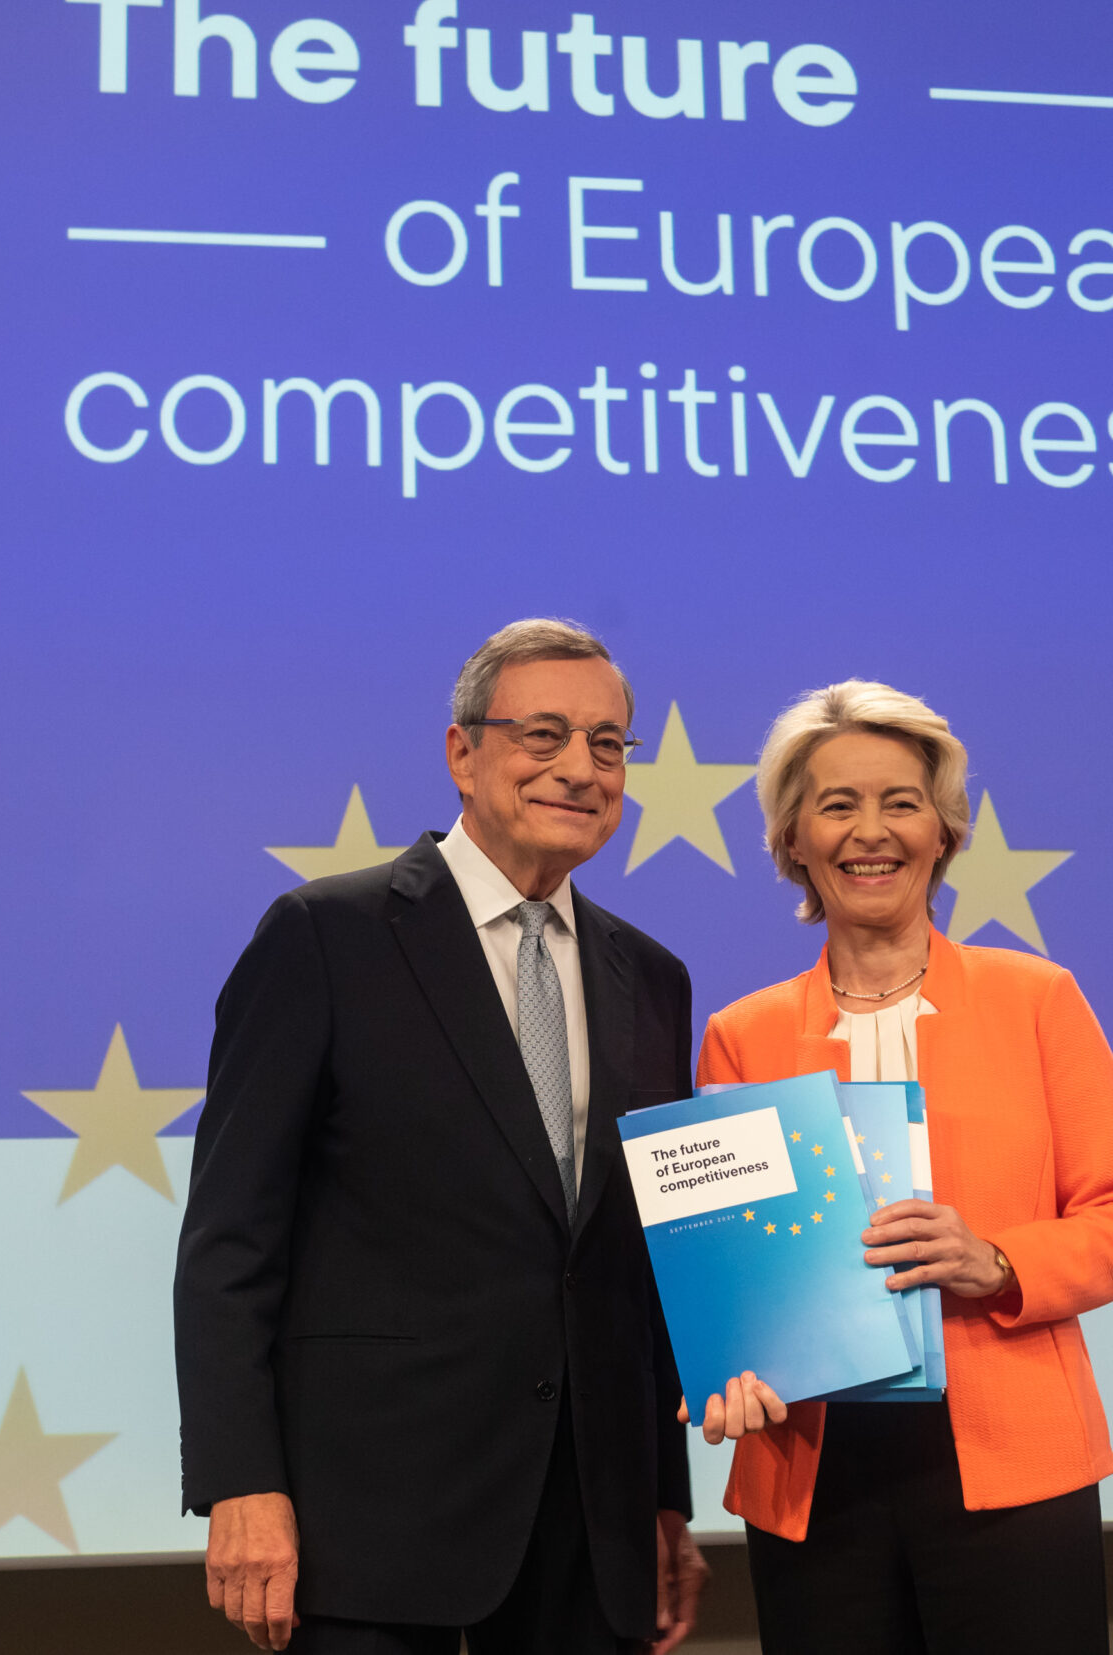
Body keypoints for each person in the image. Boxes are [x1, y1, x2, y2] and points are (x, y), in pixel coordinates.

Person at [174, 618, 708, 1655]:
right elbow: (229, 1241)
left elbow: (634, 1266)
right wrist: (240, 1479)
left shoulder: (652, 977)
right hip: (369, 1523)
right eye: (544, 734)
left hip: (588, 1535)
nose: (580, 767)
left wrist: (660, 1495)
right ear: (463, 753)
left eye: (607, 743)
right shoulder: (324, 936)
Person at [691, 680, 1113, 1655]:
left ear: (943, 832)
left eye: (901, 802)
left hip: (1013, 1464)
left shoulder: (1038, 998)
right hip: (811, 1471)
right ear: (792, 840)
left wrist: (997, 1260)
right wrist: (723, 1355)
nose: (871, 831)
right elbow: (731, 1270)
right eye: (837, 804)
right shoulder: (741, 1035)